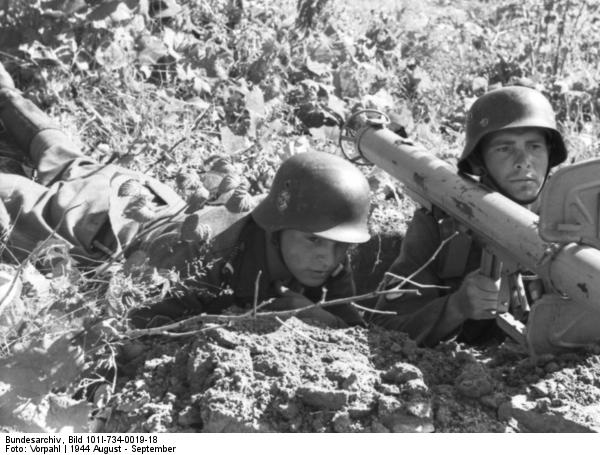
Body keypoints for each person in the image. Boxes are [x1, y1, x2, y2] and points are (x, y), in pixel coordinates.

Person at [0, 63, 372, 328]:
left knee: (61, 151)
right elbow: (124, 317)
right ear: (278, 226)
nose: (328, 258)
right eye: (313, 242)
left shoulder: (327, 238)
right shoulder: (207, 252)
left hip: (142, 193)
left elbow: (350, 324)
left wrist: (313, 313)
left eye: (339, 247)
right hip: (96, 220)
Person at [371, 86, 567, 346]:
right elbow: (384, 326)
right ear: (479, 161)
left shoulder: (575, 213)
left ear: (550, 155)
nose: (524, 161)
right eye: (504, 149)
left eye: (534, 147)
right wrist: (457, 307)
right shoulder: (442, 221)